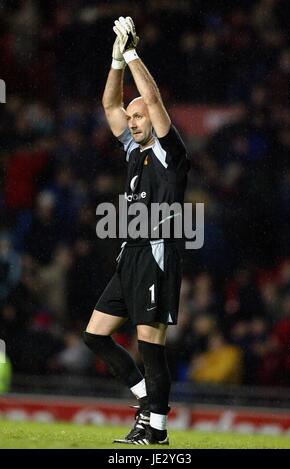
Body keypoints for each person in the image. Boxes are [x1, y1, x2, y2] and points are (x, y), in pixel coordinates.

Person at [83, 16, 190, 445]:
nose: (131, 121)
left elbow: (154, 97)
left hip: (158, 252)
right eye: (131, 117)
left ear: (155, 118)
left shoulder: (171, 152)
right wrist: (114, 64)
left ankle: (157, 433)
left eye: (138, 116)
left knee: (150, 347)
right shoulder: (133, 148)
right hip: (129, 253)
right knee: (95, 336)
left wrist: (132, 54)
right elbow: (110, 107)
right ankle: (148, 402)